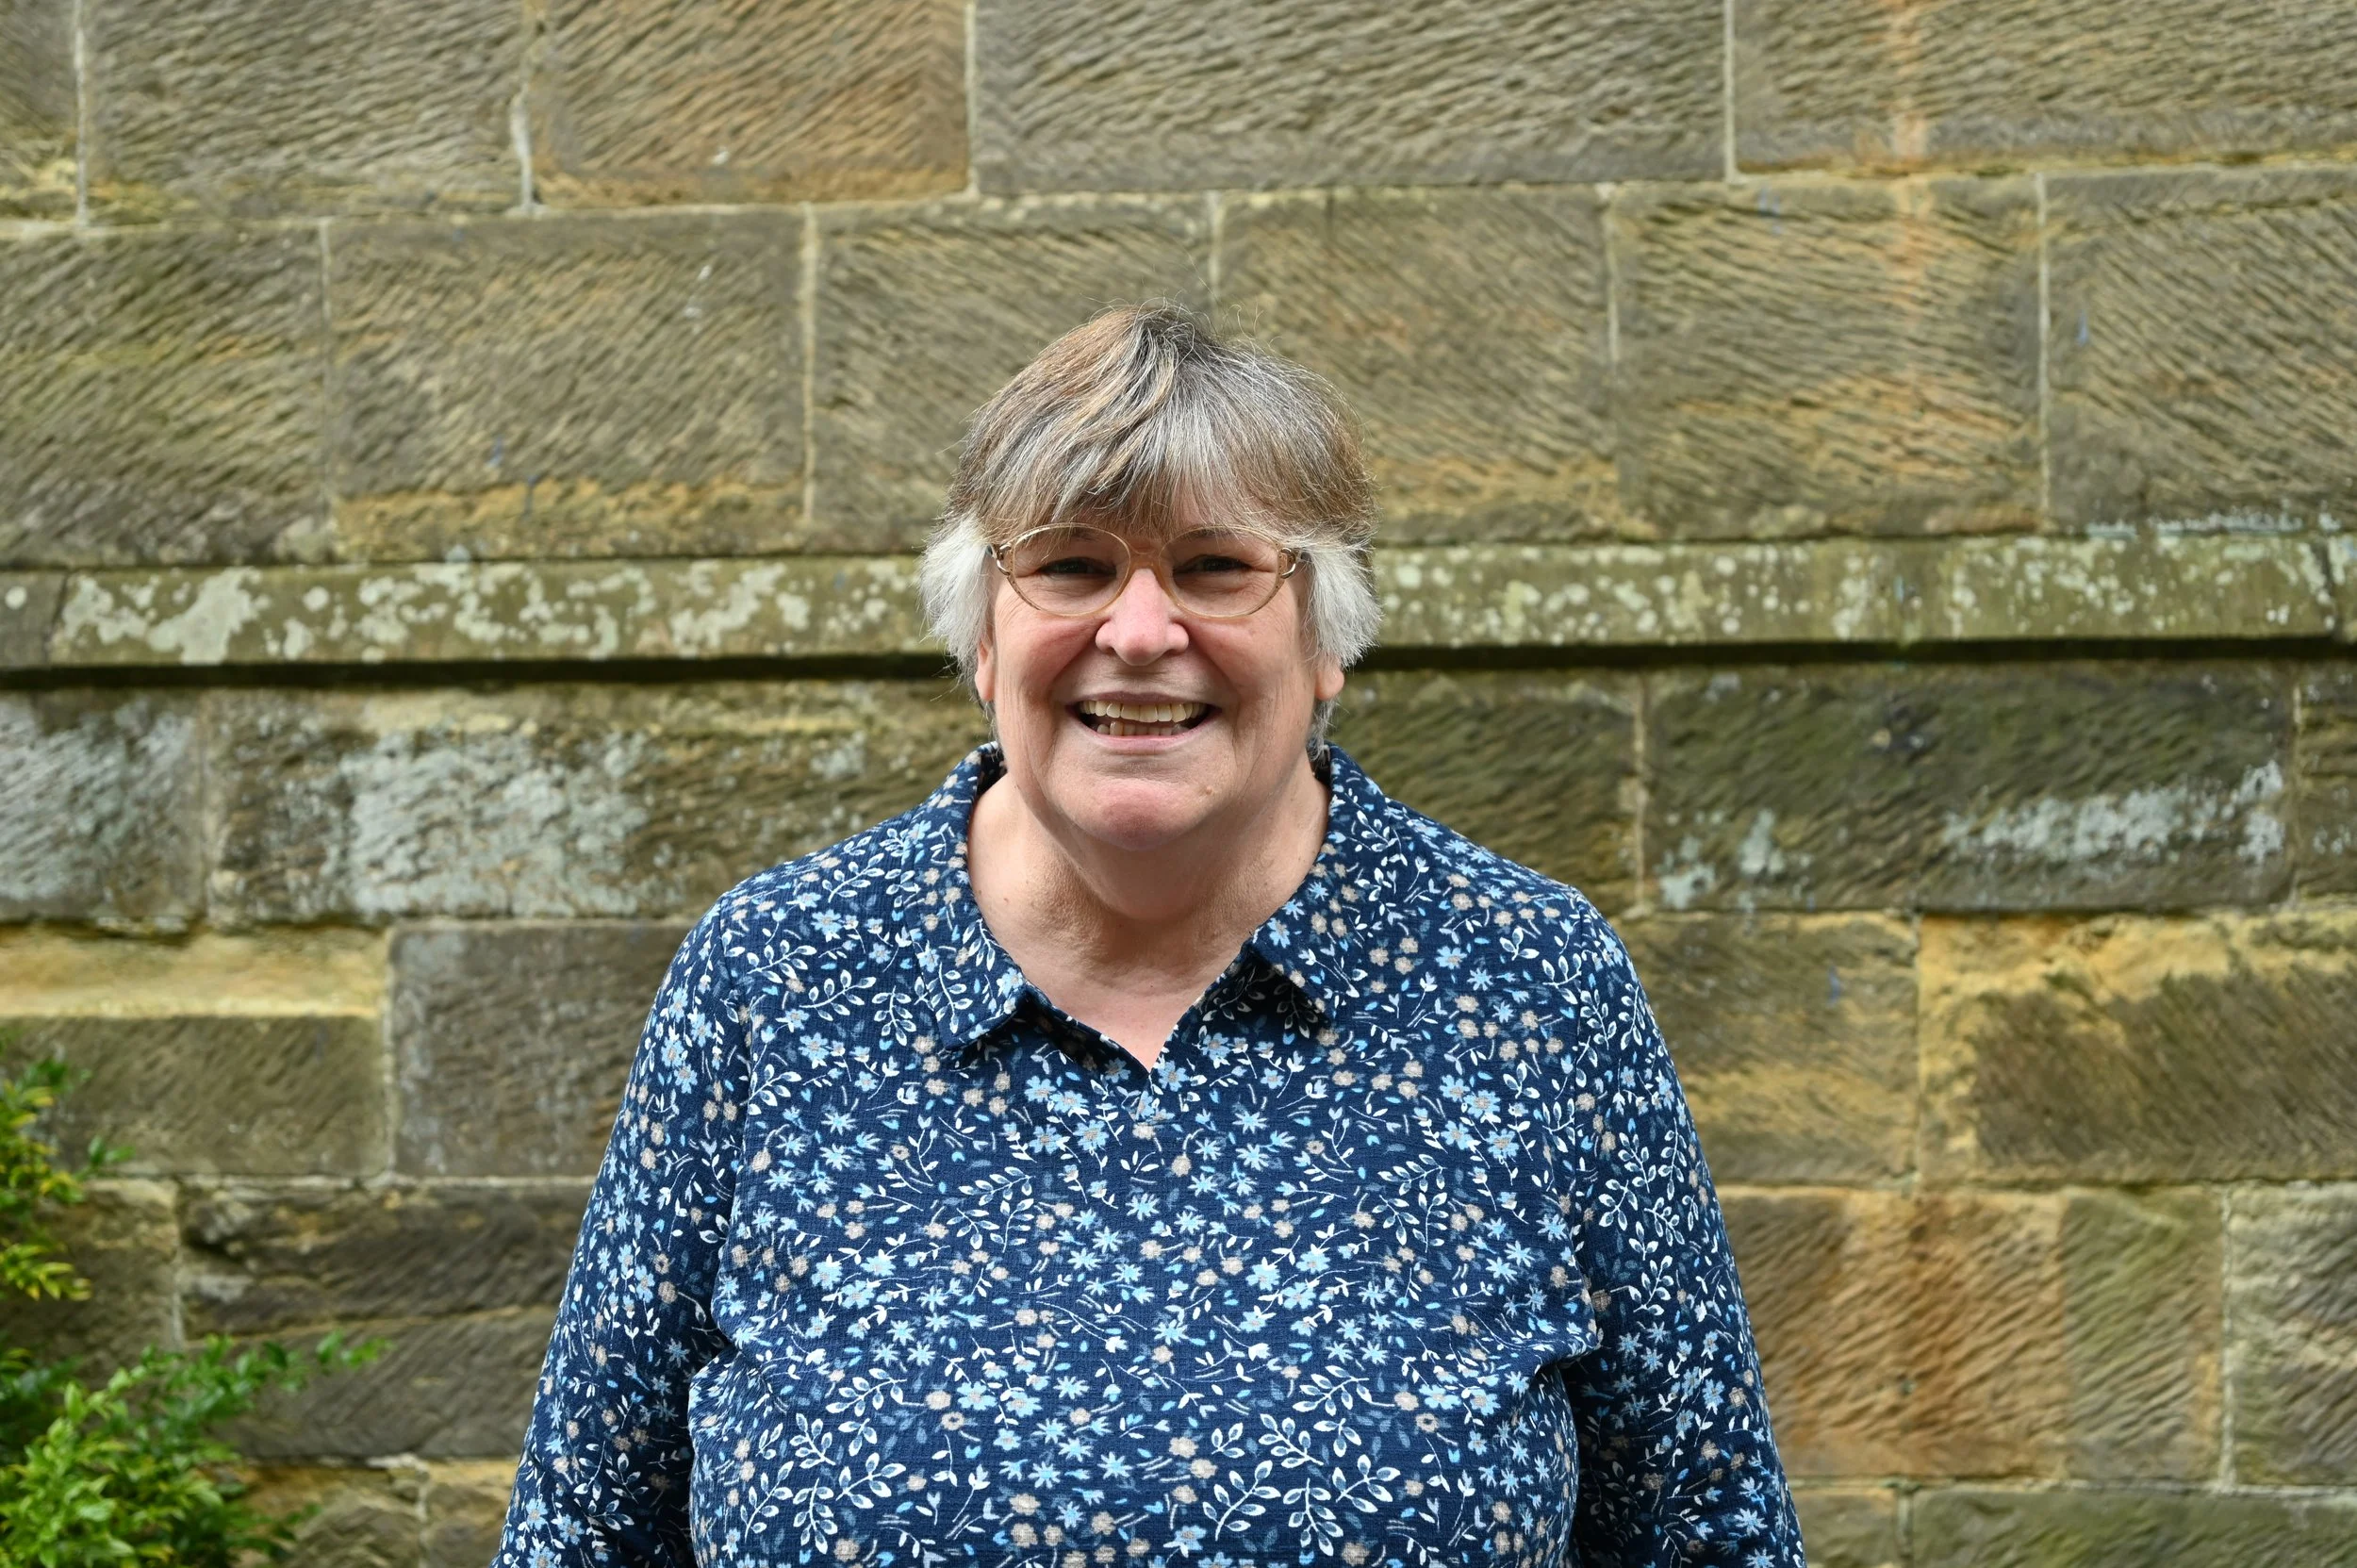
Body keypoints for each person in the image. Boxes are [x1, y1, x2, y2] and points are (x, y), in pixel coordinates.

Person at [493, 305, 1803, 1567]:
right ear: (982, 634)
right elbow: (581, 1534)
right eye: (1070, 565)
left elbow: (1711, 1537)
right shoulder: (778, 977)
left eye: (1215, 567)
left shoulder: (1528, 984)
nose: (1136, 631)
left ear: (1326, 635)